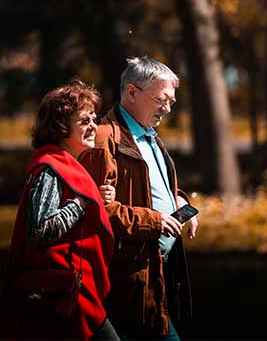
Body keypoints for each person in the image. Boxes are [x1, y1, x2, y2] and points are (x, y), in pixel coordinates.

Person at [78, 57, 198, 340]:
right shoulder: (104, 137)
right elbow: (97, 210)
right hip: (127, 280)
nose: (167, 109)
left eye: (171, 101)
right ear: (132, 93)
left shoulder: (150, 135)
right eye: (161, 99)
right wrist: (156, 221)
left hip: (156, 275)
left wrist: (178, 202)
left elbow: (155, 187)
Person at [0, 81, 119, 340]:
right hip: (60, 296)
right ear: (62, 126)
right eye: (84, 120)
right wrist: (83, 202)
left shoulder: (64, 165)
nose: (94, 126)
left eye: (94, 118)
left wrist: (94, 196)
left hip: (71, 292)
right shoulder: (51, 168)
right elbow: (41, 231)